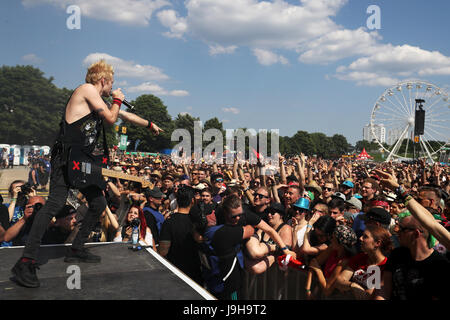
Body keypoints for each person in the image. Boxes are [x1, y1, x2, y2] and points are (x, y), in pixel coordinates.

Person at [11, 59, 163, 288]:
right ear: (104, 80)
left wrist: (149, 124)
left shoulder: (97, 99)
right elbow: (112, 118)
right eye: (111, 84)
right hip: (67, 157)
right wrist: (118, 100)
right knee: (54, 203)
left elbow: (124, 116)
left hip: (81, 160)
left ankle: (77, 248)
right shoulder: (86, 90)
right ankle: (26, 261)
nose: (112, 89)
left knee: (98, 203)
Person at [373, 212, 450, 300]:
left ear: (416, 233)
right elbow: (384, 288)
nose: (397, 231)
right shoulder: (397, 254)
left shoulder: (440, 265)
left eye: (402, 229)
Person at [158, 186, 203, 285]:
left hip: (175, 272)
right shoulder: (197, 222)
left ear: (177, 201)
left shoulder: (169, 222)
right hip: (194, 272)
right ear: (192, 201)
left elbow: (163, 251)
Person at [336, 224, 392, 300]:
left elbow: (367, 295)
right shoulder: (360, 257)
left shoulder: (385, 266)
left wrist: (347, 287)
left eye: (365, 237)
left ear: (377, 243)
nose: (360, 238)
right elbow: (339, 280)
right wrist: (353, 285)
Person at [306, 224, 358, 299]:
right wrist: (308, 289)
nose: (330, 240)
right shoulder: (332, 248)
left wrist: (318, 270)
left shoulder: (344, 262)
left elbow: (327, 290)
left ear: (341, 244)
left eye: (333, 238)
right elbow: (313, 263)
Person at [245, 202, 292, 274]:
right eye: (268, 212)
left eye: (272, 213)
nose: (269, 215)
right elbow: (255, 245)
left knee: (256, 267)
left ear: (281, 215)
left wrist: (268, 250)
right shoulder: (265, 228)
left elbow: (286, 250)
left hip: (273, 265)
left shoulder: (285, 228)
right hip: (260, 260)